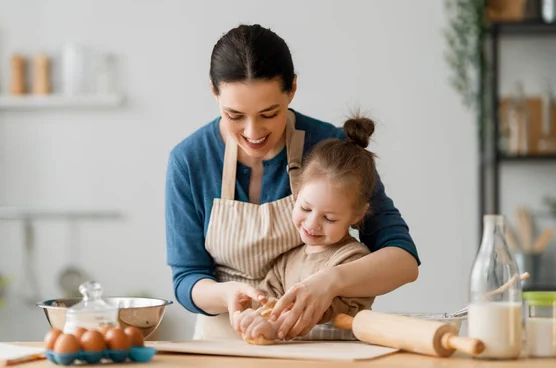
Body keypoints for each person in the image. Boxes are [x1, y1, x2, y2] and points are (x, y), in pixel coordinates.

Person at [165, 23, 420, 341]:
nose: (253, 132)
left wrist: (330, 281)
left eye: (269, 113)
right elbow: (187, 278)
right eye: (235, 115)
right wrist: (226, 294)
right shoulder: (189, 161)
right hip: (226, 339)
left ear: (293, 90)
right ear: (214, 92)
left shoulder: (329, 146)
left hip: (320, 338)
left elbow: (404, 261)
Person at [233, 115, 379, 343]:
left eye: (329, 218)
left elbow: (323, 311)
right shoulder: (287, 259)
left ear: (357, 215)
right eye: (305, 208)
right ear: (296, 194)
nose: (312, 224)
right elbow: (268, 300)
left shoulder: (354, 259)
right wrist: (254, 315)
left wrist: (275, 326)